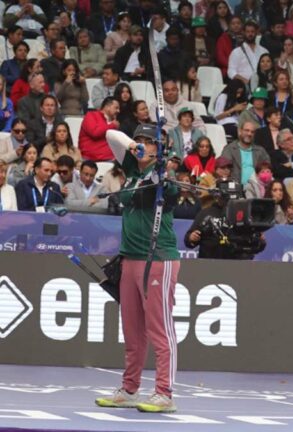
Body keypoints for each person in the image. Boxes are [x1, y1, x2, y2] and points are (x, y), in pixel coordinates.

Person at [95, 125, 181, 414]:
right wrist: (135, 147)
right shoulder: (133, 167)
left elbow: (169, 192)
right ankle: (130, 388)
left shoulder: (162, 178)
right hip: (130, 258)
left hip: (157, 258)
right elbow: (110, 135)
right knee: (131, 331)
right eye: (141, 140)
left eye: (149, 141)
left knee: (160, 328)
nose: (144, 145)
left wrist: (162, 175)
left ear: (161, 148)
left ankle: (164, 393)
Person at [185, 178, 266, 258]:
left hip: (240, 264)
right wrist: (191, 237)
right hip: (210, 263)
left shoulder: (245, 213)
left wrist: (260, 240)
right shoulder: (206, 213)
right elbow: (189, 241)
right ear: (217, 196)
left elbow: (258, 245)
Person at [220, 120, 271, 185]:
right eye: (247, 130)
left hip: (258, 188)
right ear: (240, 131)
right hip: (236, 188)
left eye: (252, 132)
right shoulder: (229, 149)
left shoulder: (260, 151)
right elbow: (223, 169)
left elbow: (268, 168)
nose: (249, 134)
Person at [228, 20, 269, 86]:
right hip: (243, 84)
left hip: (261, 84)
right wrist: (246, 81)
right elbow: (231, 72)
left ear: (256, 32)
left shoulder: (264, 51)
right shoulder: (236, 52)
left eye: (252, 32)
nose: (250, 34)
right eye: (248, 32)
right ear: (243, 32)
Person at [79, 97, 120, 162]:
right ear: (107, 107)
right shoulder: (91, 115)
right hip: (90, 161)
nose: (118, 111)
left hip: (109, 159)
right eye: (116, 108)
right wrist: (112, 125)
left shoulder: (114, 123)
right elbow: (95, 133)